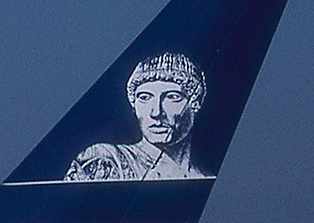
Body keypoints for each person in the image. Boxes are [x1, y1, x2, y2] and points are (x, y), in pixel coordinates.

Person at [66, 52, 210, 181]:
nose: (156, 113)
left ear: (195, 103)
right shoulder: (109, 160)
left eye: (172, 97)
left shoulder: (203, 178)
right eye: (145, 97)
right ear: (134, 105)